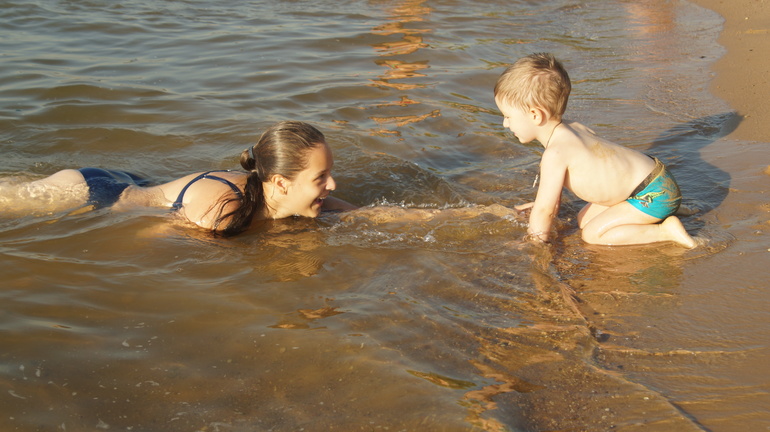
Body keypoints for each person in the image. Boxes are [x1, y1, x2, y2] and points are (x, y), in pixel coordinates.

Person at [493, 53, 697, 248]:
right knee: (584, 219)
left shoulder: (555, 154)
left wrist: (534, 244)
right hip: (655, 179)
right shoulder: (574, 128)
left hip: (651, 195)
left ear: (535, 115)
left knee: (592, 234)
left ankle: (665, 231)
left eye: (508, 116)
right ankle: (663, 210)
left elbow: (545, 211)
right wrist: (539, 206)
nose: (505, 124)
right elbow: (550, 202)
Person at [17, 121, 356, 236]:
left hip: (138, 182)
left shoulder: (292, 198)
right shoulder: (221, 214)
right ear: (281, 183)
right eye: (321, 177)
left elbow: (361, 214)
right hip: (90, 192)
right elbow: (145, 238)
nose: (332, 185)